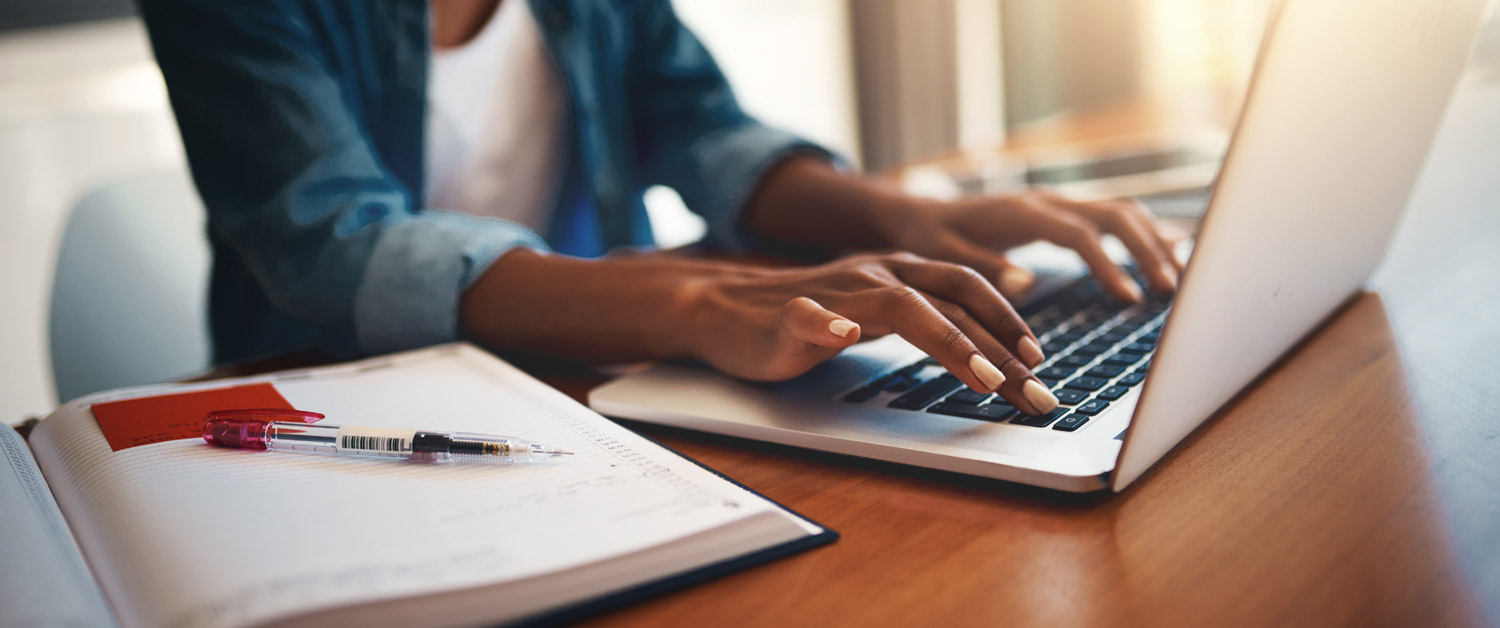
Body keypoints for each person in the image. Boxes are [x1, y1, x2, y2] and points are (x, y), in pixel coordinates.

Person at [139, 0, 1182, 417]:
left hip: (592, 382)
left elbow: (703, 131)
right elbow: (336, 247)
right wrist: (689, 300)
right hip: (339, 413)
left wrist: (895, 214)